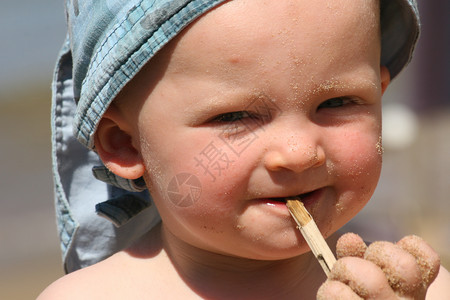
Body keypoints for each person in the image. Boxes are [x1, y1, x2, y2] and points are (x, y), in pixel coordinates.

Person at [39, 0, 450, 298]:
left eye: (337, 103)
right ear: (125, 144)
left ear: (380, 95)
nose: (298, 152)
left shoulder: (415, 286)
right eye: (235, 117)